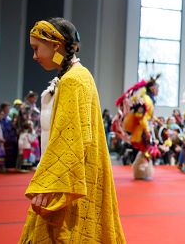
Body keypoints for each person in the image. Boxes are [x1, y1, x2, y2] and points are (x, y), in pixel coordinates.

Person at [20, 17, 125, 242]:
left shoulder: (72, 81)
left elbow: (70, 139)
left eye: (37, 48)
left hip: (68, 182)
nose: (35, 56)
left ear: (56, 45)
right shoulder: (77, 76)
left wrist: (48, 185)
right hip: (76, 176)